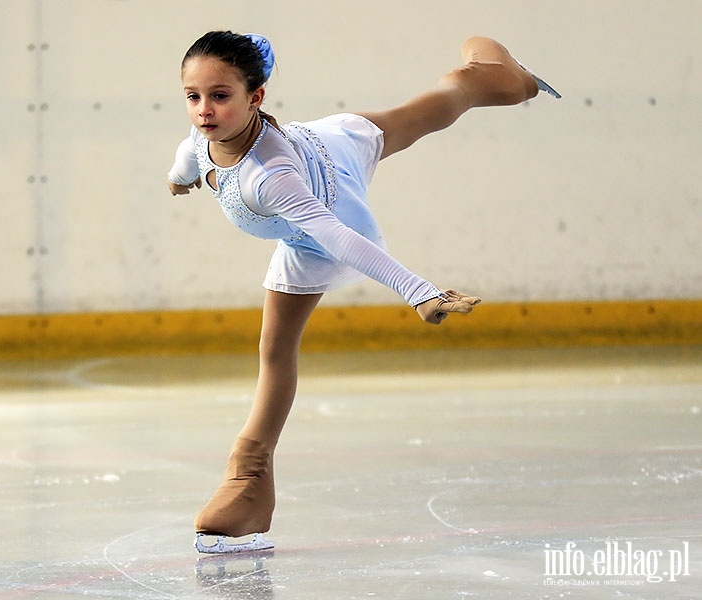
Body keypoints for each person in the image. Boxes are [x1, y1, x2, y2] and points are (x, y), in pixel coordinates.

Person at [166, 31, 559, 553]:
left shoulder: (272, 177)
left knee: (432, 111)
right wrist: (180, 177)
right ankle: (250, 486)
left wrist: (418, 291)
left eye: (220, 96)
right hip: (315, 169)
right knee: (274, 349)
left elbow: (336, 234)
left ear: (255, 97)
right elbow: (190, 153)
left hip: (329, 191)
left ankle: (496, 78)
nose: (205, 110)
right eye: (194, 97)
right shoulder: (203, 136)